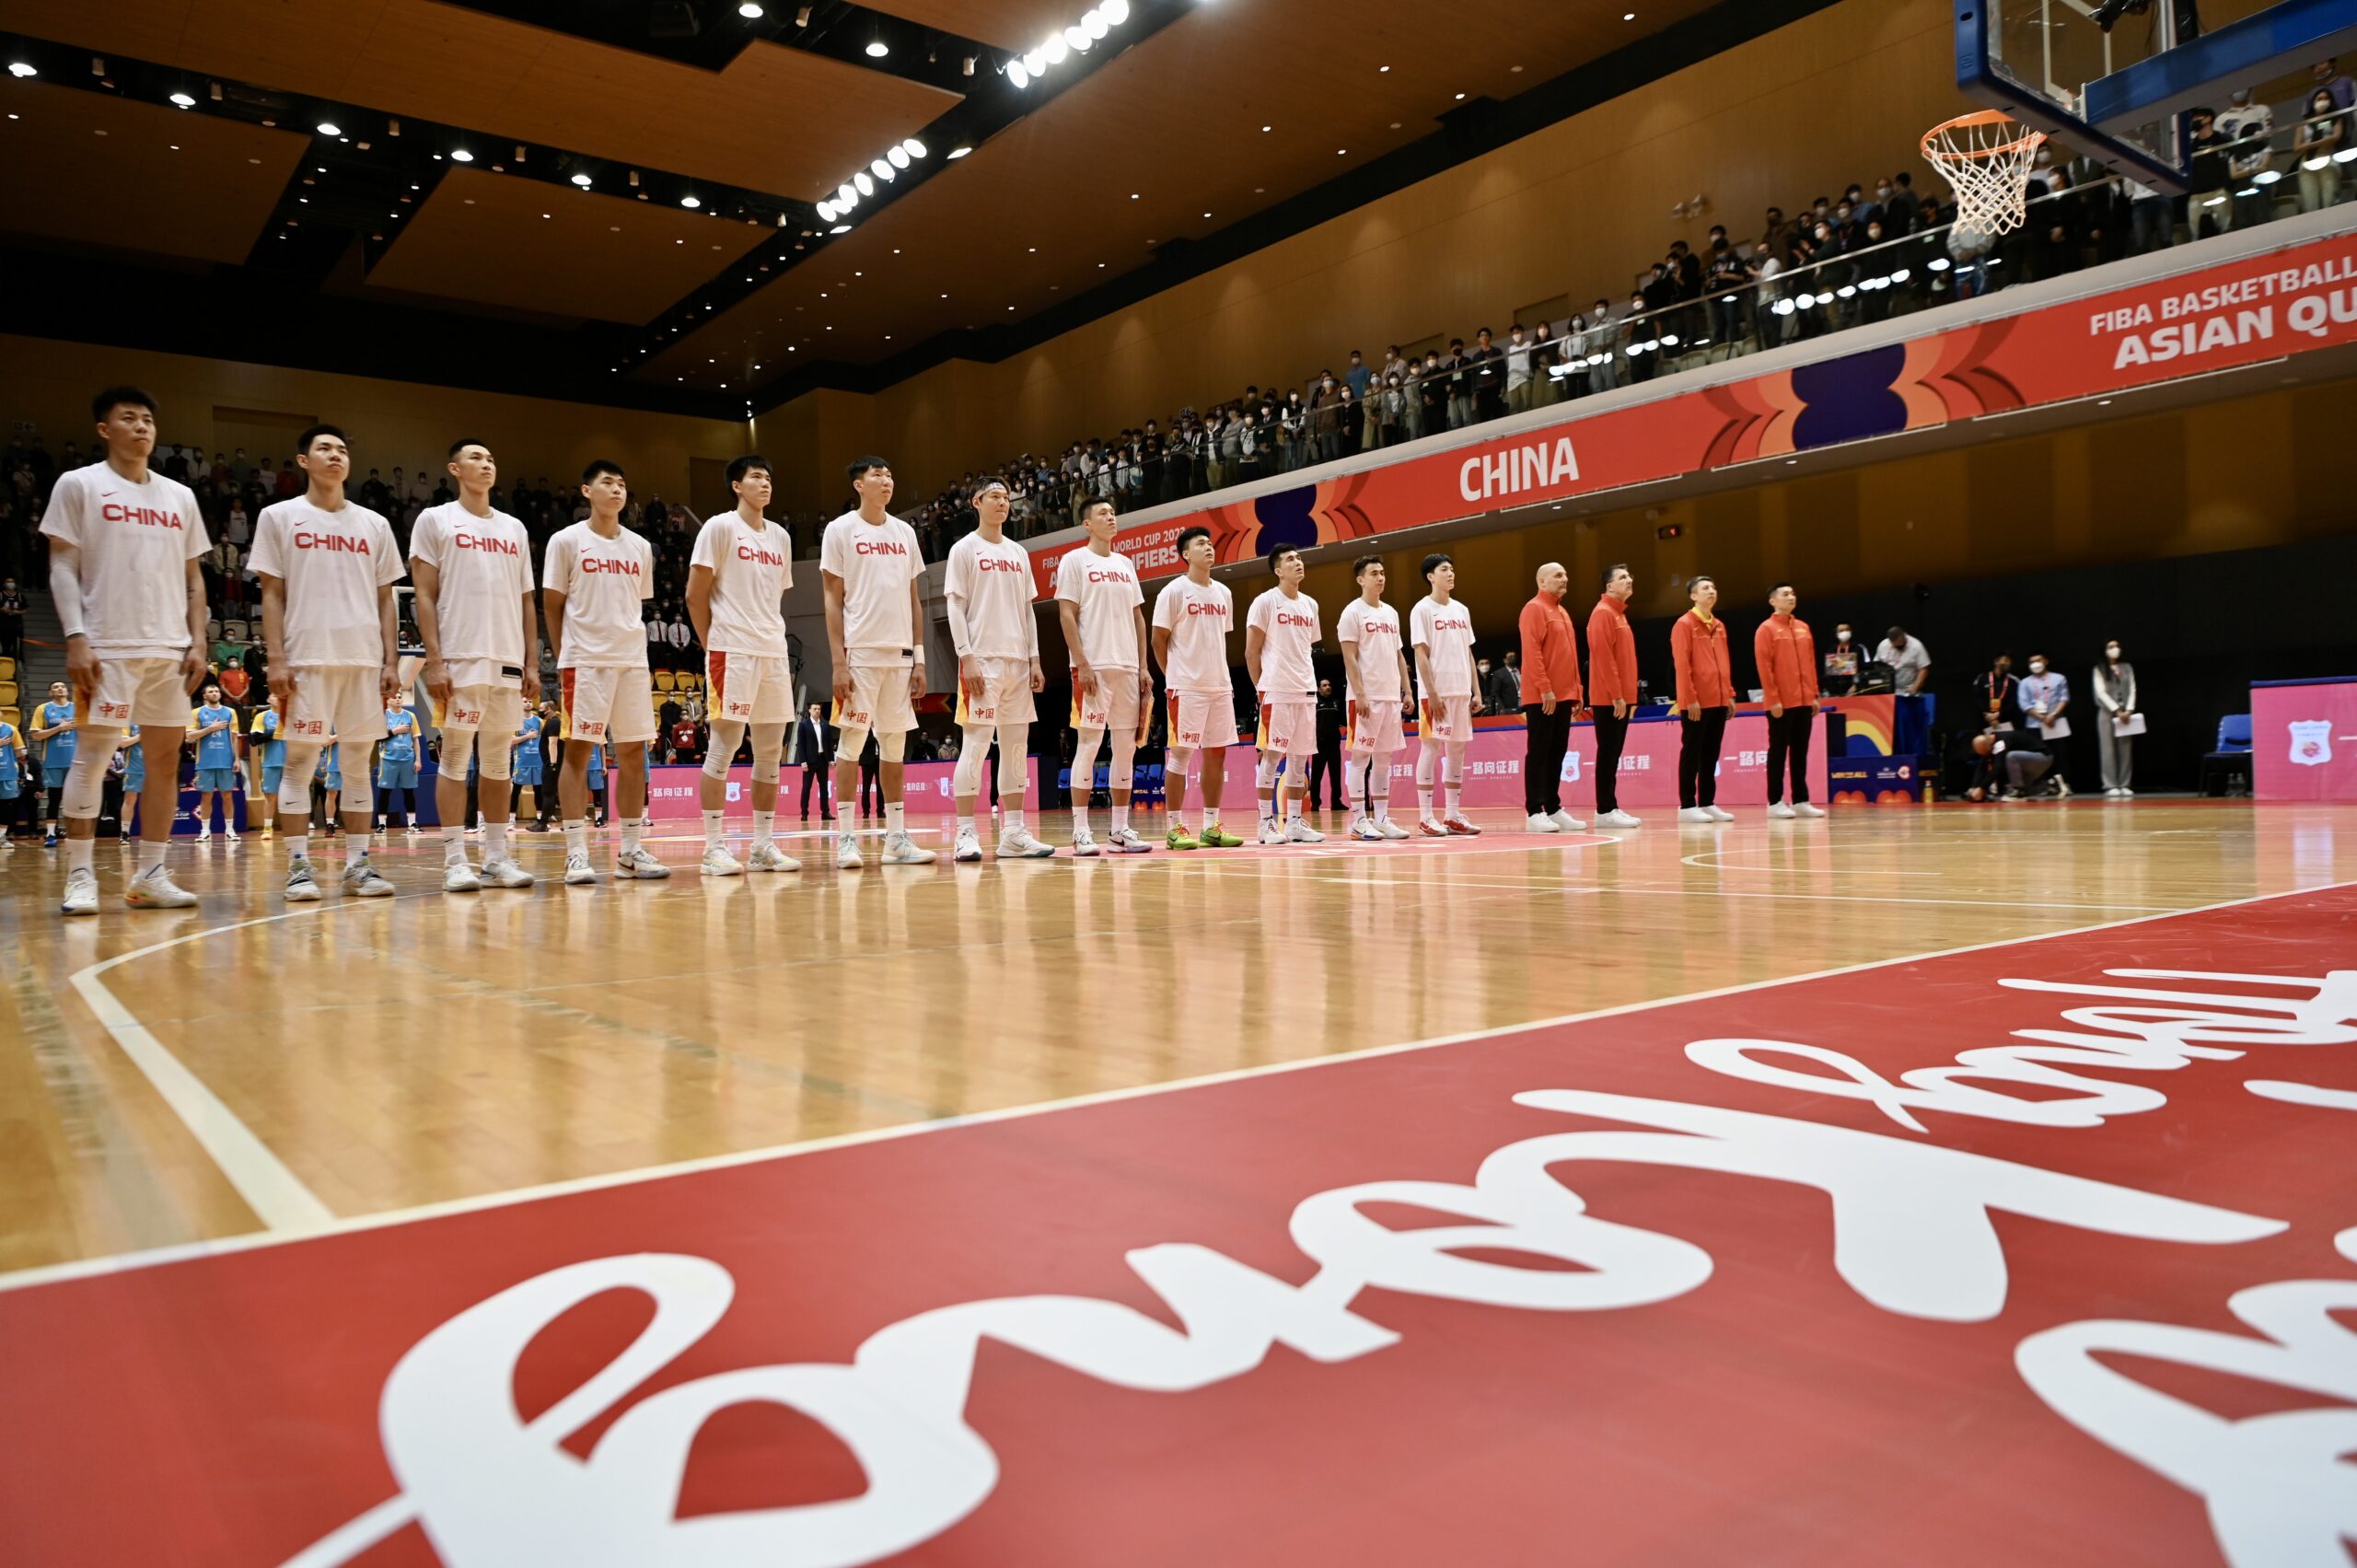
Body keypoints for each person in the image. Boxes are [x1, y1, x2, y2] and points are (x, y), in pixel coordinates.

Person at [39, 386, 212, 912]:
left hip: (170, 649)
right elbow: (62, 564)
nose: (141, 427)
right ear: (104, 429)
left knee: (164, 762)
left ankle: (150, 875)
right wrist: (75, 635)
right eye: (129, 418)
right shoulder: (80, 484)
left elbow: (194, 578)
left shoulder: (180, 496)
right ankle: (80, 875)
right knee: (93, 758)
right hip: (106, 645)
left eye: (148, 421)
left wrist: (198, 639)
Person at [250, 424, 403, 900]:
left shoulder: (374, 524)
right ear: (303, 460)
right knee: (299, 763)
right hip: (305, 658)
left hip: (363, 660)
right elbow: (271, 593)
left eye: (341, 450)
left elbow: (386, 599)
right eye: (324, 449)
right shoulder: (279, 517)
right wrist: (276, 658)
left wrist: (391, 660)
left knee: (357, 765)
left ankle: (358, 866)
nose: (335, 456)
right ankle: (298, 866)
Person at [409, 437, 539, 892]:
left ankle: (497, 857)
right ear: (455, 469)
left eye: (491, 458)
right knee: (456, 756)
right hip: (459, 657)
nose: (487, 464)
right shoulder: (435, 519)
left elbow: (526, 600)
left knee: (499, 761)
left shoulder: (514, 528)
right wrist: (434, 659)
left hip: (507, 659)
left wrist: (532, 662)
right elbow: (424, 594)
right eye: (476, 458)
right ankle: (454, 859)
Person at [541, 459, 666, 885]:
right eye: (607, 483)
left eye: (622, 484)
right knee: (578, 753)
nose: (617, 490)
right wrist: (565, 655)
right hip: (585, 661)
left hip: (631, 661)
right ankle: (576, 852)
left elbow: (635, 603)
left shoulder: (640, 547)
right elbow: (552, 603)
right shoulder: (566, 541)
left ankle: (630, 852)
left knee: (633, 755)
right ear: (586, 491)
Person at [820, 456, 936, 867]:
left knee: (894, 747)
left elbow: (913, 599)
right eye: (877, 476)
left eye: (889, 475)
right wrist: (838, 662)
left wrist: (920, 659)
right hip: (860, 655)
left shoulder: (905, 532)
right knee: (851, 744)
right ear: (859, 485)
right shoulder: (840, 530)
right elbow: (832, 599)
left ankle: (896, 839)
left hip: (901, 657)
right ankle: (846, 838)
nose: (887, 481)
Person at [687, 454, 799, 876]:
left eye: (769, 477)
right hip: (730, 649)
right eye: (756, 477)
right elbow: (695, 595)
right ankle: (713, 848)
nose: (765, 484)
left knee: (770, 752)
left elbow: (774, 597)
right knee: (724, 746)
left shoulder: (781, 537)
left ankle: (762, 846)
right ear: (737, 485)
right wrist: (712, 643)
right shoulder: (719, 527)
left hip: (772, 650)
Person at [942, 478, 1051, 861]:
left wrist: (1034, 658)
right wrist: (966, 656)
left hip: (1017, 662)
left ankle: (1014, 834)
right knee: (975, 745)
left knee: (1016, 748)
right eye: (995, 496)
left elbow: (1027, 610)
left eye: (1006, 497)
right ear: (976, 502)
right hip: (982, 660)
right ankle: (965, 832)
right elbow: (955, 606)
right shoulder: (964, 549)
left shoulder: (1018, 552)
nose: (1003, 502)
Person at [1053, 496, 1153, 855]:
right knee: (1090, 744)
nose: (1111, 517)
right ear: (1087, 524)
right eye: (1103, 514)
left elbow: (1138, 618)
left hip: (1127, 669)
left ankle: (1120, 830)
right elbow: (1066, 614)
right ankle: (1081, 831)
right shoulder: (1074, 560)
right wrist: (1082, 664)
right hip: (1093, 668)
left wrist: (1143, 666)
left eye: (1113, 512)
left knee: (1126, 748)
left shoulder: (1125, 564)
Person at [1152, 527, 1246, 850]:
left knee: (1217, 754)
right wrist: (1173, 677)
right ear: (1185, 554)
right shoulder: (1174, 591)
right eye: (1200, 544)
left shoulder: (1224, 593)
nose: (1208, 547)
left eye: (1210, 543)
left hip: (1219, 686)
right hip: (1185, 687)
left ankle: (1211, 826)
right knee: (1181, 755)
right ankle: (1175, 827)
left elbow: (1218, 639)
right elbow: (1158, 640)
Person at [1245, 544, 1324, 844]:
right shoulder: (1265, 602)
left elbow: (1306, 648)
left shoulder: (1311, 605)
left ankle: (1294, 822)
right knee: (1271, 757)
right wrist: (1260, 688)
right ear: (1278, 570)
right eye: (1290, 559)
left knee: (1299, 759)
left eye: (1299, 558)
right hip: (1276, 690)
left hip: (1306, 689)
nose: (1298, 562)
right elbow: (1251, 652)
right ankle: (1265, 823)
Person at [1336, 554, 1412, 841]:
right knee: (1360, 758)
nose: (1380, 578)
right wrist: (1360, 694)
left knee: (1384, 759)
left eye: (1382, 573)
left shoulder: (1391, 613)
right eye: (1374, 574)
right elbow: (1349, 657)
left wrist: (1407, 690)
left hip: (1391, 697)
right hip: (1365, 698)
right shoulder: (1352, 612)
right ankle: (1358, 820)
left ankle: (1381, 818)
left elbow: (1398, 654)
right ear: (1361, 580)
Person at [1410, 552, 1482, 836]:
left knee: (1457, 750)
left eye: (1452, 569)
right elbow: (1421, 653)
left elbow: (1468, 652)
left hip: (1460, 691)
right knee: (1430, 748)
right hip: (1435, 693)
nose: (1450, 573)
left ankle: (1452, 814)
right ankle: (1426, 816)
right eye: (1444, 569)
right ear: (1431, 576)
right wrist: (1432, 693)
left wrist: (1476, 691)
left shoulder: (1462, 610)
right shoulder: (1422, 609)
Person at [1516, 562, 1585, 832]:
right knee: (1540, 752)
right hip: (1542, 696)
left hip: (1564, 694)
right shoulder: (1534, 608)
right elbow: (1532, 652)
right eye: (1558, 575)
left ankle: (1553, 807)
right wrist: (1545, 688)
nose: (1565, 578)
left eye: (1566, 574)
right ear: (1542, 581)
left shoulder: (1562, 612)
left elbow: (1570, 655)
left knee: (1557, 752)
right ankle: (1535, 811)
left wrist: (1577, 690)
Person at [1755, 583, 1826, 819]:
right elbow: (1764, 667)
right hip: (1781, 703)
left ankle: (1801, 799)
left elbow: (1810, 663)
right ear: (1773, 601)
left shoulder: (1803, 628)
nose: (1791, 597)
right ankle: (1775, 801)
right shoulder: (1766, 629)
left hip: (1804, 700)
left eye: (1793, 593)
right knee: (1778, 751)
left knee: (1800, 751)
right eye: (1785, 594)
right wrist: (1773, 698)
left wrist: (1814, 694)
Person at [1672, 575, 1736, 824]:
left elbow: (1724, 662)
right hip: (1696, 702)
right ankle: (1687, 805)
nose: (1711, 591)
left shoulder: (1719, 625)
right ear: (1693, 596)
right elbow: (1682, 664)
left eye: (1713, 587)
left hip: (1718, 699)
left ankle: (1707, 802)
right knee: (1692, 752)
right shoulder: (1684, 624)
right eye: (1705, 588)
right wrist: (1690, 698)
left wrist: (1729, 693)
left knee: (1711, 753)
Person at [1585, 564, 1641, 830]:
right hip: (1609, 698)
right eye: (1622, 577)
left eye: (1629, 576)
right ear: (1609, 586)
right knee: (1608, 752)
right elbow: (1604, 659)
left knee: (1614, 752)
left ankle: (1611, 805)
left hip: (1621, 697)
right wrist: (1617, 695)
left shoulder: (1619, 614)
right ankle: (1604, 809)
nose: (1629, 580)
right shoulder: (1603, 613)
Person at [188, 681, 242, 841]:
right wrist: (210, 728)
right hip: (205, 761)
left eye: (217, 691)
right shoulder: (196, 712)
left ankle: (230, 830)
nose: (214, 693)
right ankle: (205, 831)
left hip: (226, 761)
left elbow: (235, 738)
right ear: (204, 696)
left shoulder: (230, 712)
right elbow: (189, 736)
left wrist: (237, 759)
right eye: (211, 691)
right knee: (206, 796)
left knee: (227, 796)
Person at [29, 679, 80, 849]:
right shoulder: (43, 709)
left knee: (74, 799)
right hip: (53, 761)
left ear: (67, 690)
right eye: (55, 687)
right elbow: (36, 735)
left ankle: (75, 833)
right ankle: (51, 834)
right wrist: (59, 728)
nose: (60, 689)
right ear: (50, 693)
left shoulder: (78, 708)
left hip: (75, 761)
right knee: (54, 798)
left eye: (62, 686)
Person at [2093, 639, 2139, 796]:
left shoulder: (2127, 667)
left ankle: (2124, 783)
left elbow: (2132, 688)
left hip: (2126, 713)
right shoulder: (2099, 669)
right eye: (2111, 647)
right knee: (2108, 749)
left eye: (2117, 646)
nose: (2115, 649)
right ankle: (2110, 785)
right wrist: (2116, 709)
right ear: (2105, 650)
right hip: (2107, 712)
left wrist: (2129, 709)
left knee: (2125, 749)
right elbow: (2100, 693)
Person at [2018, 653, 2072, 786]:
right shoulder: (2025, 682)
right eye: (2032, 662)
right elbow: (2024, 705)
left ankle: (2063, 784)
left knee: (2060, 755)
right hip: (2034, 725)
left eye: (2038, 660)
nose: (2035, 664)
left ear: (2046, 661)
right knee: (2036, 756)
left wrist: (2053, 715)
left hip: (2056, 723)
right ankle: (2040, 786)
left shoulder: (2059, 678)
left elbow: (2064, 698)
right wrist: (2042, 718)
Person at [376, 699, 420, 834]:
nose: (398, 699)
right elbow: (377, 738)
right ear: (388, 700)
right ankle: (381, 825)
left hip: (407, 759)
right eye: (394, 697)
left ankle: (412, 824)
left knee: (409, 792)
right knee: (385, 792)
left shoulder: (410, 716)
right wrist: (394, 731)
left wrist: (418, 760)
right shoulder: (382, 716)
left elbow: (415, 739)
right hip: (388, 759)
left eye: (400, 697)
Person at [1309, 679, 1347, 814]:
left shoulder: (1337, 703)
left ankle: (1336, 802)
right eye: (1324, 685)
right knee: (1316, 776)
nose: (1328, 687)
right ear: (1319, 689)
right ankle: (1315, 803)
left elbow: (1342, 723)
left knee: (1336, 775)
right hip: (1319, 746)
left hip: (1334, 746)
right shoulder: (1315, 703)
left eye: (1329, 685)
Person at [250, 701, 285, 837]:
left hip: (291, 763)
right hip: (271, 761)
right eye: (275, 696)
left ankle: (292, 827)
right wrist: (273, 734)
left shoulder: (292, 715)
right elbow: (254, 740)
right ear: (269, 699)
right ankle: (267, 828)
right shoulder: (262, 716)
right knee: (270, 796)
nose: (278, 698)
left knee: (292, 796)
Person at [795, 703, 832, 820]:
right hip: (809, 761)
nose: (817, 711)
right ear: (810, 711)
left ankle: (825, 812)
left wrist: (831, 759)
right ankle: (804, 813)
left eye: (819, 709)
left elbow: (829, 743)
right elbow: (801, 745)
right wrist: (803, 761)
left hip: (823, 760)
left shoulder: (825, 725)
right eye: (815, 709)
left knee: (824, 787)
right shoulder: (803, 725)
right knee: (807, 787)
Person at [509, 703, 545, 826]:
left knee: (539, 791)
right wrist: (527, 736)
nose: (528, 703)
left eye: (530, 701)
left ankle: (540, 820)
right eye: (525, 701)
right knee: (516, 790)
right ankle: (511, 820)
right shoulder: (516, 720)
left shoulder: (539, 721)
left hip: (537, 760)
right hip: (522, 761)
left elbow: (545, 740)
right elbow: (511, 740)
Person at [1875, 625, 1932, 695]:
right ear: (1891, 642)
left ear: (1905, 635)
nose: (1900, 646)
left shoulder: (1916, 646)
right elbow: (1876, 665)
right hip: (1887, 690)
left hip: (1908, 690)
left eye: (1902, 644)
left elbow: (1924, 669)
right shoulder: (1883, 645)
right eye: (1897, 645)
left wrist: (1915, 688)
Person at [114, 724, 145, 842]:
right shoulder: (128, 722)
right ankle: (125, 832)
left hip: (154, 767)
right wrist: (142, 736)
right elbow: (122, 743)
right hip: (134, 767)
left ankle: (158, 834)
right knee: (129, 800)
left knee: (154, 801)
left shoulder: (156, 720)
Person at [0, 709, 26, 845]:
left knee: (6, 807)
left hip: (7, 773)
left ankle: (1, 837)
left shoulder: (11, 729)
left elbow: (20, 752)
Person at [1821, 621, 1862, 695]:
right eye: (1841, 631)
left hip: (1854, 688)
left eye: (1847, 630)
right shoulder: (1831, 651)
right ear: (1836, 634)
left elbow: (1862, 670)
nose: (1844, 632)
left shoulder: (1858, 649)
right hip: (1835, 689)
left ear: (1851, 632)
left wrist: (1856, 685)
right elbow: (1828, 672)